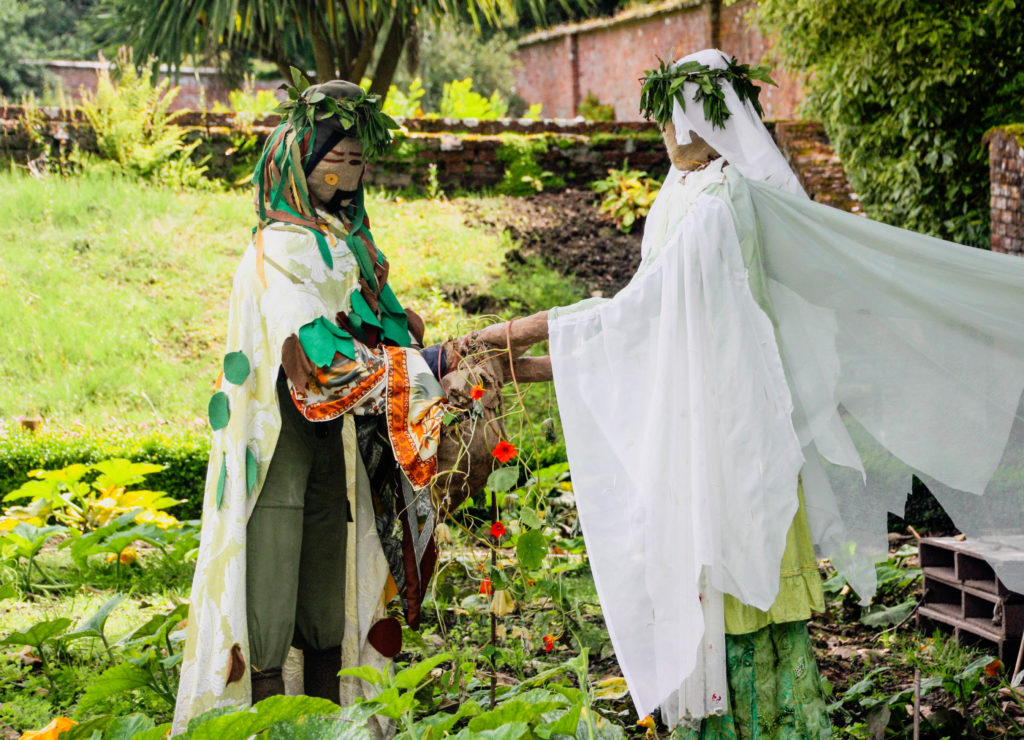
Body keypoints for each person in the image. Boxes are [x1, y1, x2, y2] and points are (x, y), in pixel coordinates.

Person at [545, 47, 1024, 737]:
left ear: (702, 121)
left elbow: (645, 310)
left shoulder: (720, 204)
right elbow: (654, 309)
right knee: (712, 551)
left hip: (733, 414)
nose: (663, 134)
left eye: (671, 120)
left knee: (740, 553)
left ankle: (755, 718)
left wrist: (547, 338)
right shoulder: (676, 197)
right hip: (696, 406)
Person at [173, 78, 449, 732]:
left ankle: (334, 718)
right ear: (300, 158)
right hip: (278, 445)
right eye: (337, 157)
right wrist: (416, 368)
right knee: (269, 574)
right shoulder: (280, 244)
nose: (349, 173)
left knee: (331, 570)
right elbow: (309, 339)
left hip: (337, 442)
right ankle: (268, 719)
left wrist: (409, 338)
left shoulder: (348, 244)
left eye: (358, 160)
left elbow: (375, 317)